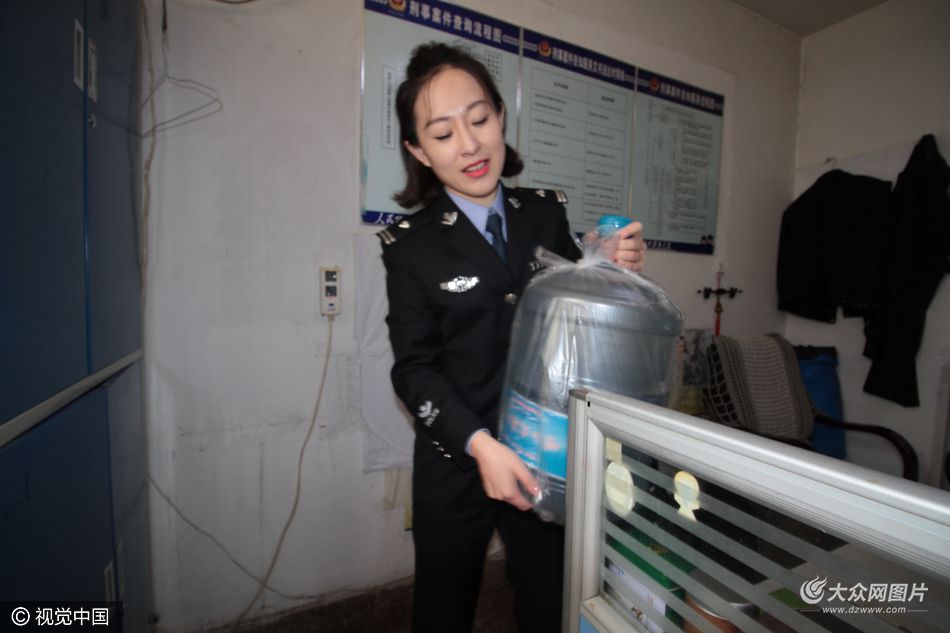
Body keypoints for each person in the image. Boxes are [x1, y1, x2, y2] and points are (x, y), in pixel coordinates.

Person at [378, 42, 646, 633]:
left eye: (479, 119)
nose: (469, 145)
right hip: (457, 455)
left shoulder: (543, 213)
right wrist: (480, 445)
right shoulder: (411, 247)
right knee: (443, 608)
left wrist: (610, 267)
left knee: (550, 599)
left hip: (545, 448)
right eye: (442, 133)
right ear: (418, 150)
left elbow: (577, 314)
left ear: (500, 116)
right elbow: (413, 369)